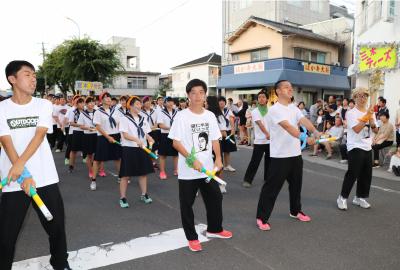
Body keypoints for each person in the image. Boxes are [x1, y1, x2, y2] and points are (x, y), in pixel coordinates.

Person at [0, 60, 71, 270]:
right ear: (12, 79)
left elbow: (39, 136)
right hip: (14, 181)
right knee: (6, 235)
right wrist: (23, 176)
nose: (33, 79)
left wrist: (23, 170)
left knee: (56, 227)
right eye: (27, 74)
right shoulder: (2, 108)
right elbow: (5, 141)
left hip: (45, 178)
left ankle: (61, 264)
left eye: (34, 75)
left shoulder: (44, 104)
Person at [169, 78, 232, 252]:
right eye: (194, 93)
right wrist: (191, 159)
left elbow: (214, 139)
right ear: (188, 95)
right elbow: (176, 143)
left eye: (201, 92)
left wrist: (218, 158)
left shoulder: (210, 115)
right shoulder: (182, 116)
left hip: (207, 169)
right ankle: (192, 237)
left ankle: (215, 229)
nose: (197, 96)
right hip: (188, 171)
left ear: (205, 95)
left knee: (215, 199)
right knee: (187, 204)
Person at [256, 80, 319, 231]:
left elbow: (304, 121)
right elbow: (288, 127)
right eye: (286, 87)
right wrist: (305, 138)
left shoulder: (294, 108)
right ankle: (261, 217)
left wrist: (315, 131)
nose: (290, 89)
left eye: (291, 87)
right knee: (272, 188)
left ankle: (295, 211)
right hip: (280, 156)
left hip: (295, 155)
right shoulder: (275, 110)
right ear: (277, 91)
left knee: (296, 186)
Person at [337, 87, 378, 211]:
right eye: (359, 96)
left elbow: (375, 130)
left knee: (366, 175)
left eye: (365, 96)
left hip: (367, 146)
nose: (363, 98)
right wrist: (367, 116)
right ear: (355, 98)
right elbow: (356, 129)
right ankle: (342, 197)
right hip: (355, 146)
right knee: (353, 173)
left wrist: (371, 120)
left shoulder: (371, 113)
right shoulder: (351, 113)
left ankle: (360, 197)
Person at [118, 96, 155, 208]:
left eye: (140, 104)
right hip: (129, 149)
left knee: (143, 173)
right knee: (125, 175)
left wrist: (149, 138)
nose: (140, 106)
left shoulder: (143, 118)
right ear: (131, 106)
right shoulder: (124, 118)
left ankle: (144, 195)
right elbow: (125, 134)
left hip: (142, 148)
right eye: (138, 104)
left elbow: (145, 132)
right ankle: (123, 198)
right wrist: (136, 140)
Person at [91, 92, 122, 191]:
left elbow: (120, 124)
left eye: (109, 97)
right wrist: (108, 137)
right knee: (98, 160)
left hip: (115, 135)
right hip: (103, 137)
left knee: (118, 158)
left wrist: (121, 135)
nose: (108, 99)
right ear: (101, 100)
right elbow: (98, 126)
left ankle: (120, 177)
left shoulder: (116, 111)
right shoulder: (98, 112)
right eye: (106, 97)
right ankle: (93, 180)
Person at [243, 90, 270, 188]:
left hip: (270, 141)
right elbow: (259, 123)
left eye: (263, 97)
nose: (261, 99)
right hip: (259, 140)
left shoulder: (271, 111)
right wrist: (267, 133)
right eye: (259, 97)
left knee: (269, 161)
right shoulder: (254, 111)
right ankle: (247, 180)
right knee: (255, 161)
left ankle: (268, 178)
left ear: (267, 99)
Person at [157, 97, 178, 179]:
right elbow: (160, 125)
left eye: (171, 101)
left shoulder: (177, 112)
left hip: (175, 135)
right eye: (168, 101)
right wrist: (171, 128)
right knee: (162, 155)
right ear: (165, 103)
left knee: (176, 154)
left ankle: (176, 170)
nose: (170, 103)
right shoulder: (161, 113)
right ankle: (162, 172)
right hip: (165, 135)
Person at [77, 97, 97, 179]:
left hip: (97, 135)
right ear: (86, 104)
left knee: (98, 154)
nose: (92, 104)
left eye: (93, 102)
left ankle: (98, 170)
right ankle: (91, 171)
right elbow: (80, 126)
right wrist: (88, 128)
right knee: (89, 155)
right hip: (88, 136)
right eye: (90, 102)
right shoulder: (83, 113)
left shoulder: (97, 112)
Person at [217, 96, 237, 172]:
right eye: (220, 101)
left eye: (223, 101)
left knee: (227, 150)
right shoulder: (215, 111)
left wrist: (233, 130)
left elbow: (232, 119)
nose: (221, 102)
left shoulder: (228, 111)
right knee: (218, 150)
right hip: (218, 133)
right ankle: (219, 165)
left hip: (228, 132)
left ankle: (227, 165)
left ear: (225, 102)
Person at [67, 97, 85, 173]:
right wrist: (80, 125)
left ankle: (92, 166)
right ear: (77, 104)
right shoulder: (73, 112)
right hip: (76, 132)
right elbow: (71, 123)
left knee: (89, 151)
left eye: (83, 102)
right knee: (74, 150)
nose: (82, 104)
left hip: (85, 132)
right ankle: (71, 166)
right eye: (80, 103)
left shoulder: (86, 111)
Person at [141, 96, 159, 168]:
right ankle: (145, 162)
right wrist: (149, 128)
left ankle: (153, 163)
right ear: (143, 103)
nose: (148, 103)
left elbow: (156, 122)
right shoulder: (141, 112)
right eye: (146, 101)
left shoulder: (154, 111)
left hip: (154, 132)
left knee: (153, 148)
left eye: (149, 101)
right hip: (145, 132)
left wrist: (154, 126)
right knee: (146, 147)